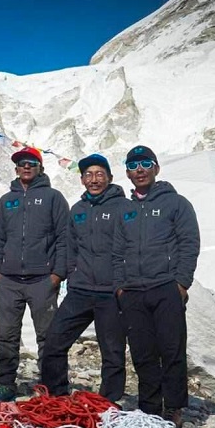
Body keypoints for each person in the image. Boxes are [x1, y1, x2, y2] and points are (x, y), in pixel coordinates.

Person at [113, 145, 200, 428]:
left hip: (166, 287)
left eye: (145, 163)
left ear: (156, 168)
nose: (140, 169)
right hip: (133, 291)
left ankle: (173, 407)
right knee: (142, 351)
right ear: (127, 172)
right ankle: (149, 407)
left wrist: (181, 283)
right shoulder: (124, 210)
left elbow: (189, 243)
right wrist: (119, 288)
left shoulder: (176, 203)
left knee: (171, 349)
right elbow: (116, 251)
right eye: (134, 165)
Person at [39, 154, 128, 401]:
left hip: (111, 292)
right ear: (81, 179)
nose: (94, 179)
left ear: (109, 178)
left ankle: (108, 402)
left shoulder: (124, 207)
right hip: (80, 290)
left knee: (112, 351)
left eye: (100, 174)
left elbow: (131, 245)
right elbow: (69, 246)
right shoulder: (77, 209)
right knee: (54, 342)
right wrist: (71, 272)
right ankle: (55, 396)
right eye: (89, 174)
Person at [0, 146, 69, 401]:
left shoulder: (53, 197)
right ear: (15, 169)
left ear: (40, 168)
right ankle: (6, 383)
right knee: (6, 334)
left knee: (48, 335)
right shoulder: (6, 200)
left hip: (43, 279)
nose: (26, 166)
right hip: (9, 279)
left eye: (31, 163)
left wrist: (57, 273)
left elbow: (64, 238)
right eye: (22, 163)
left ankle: (51, 386)